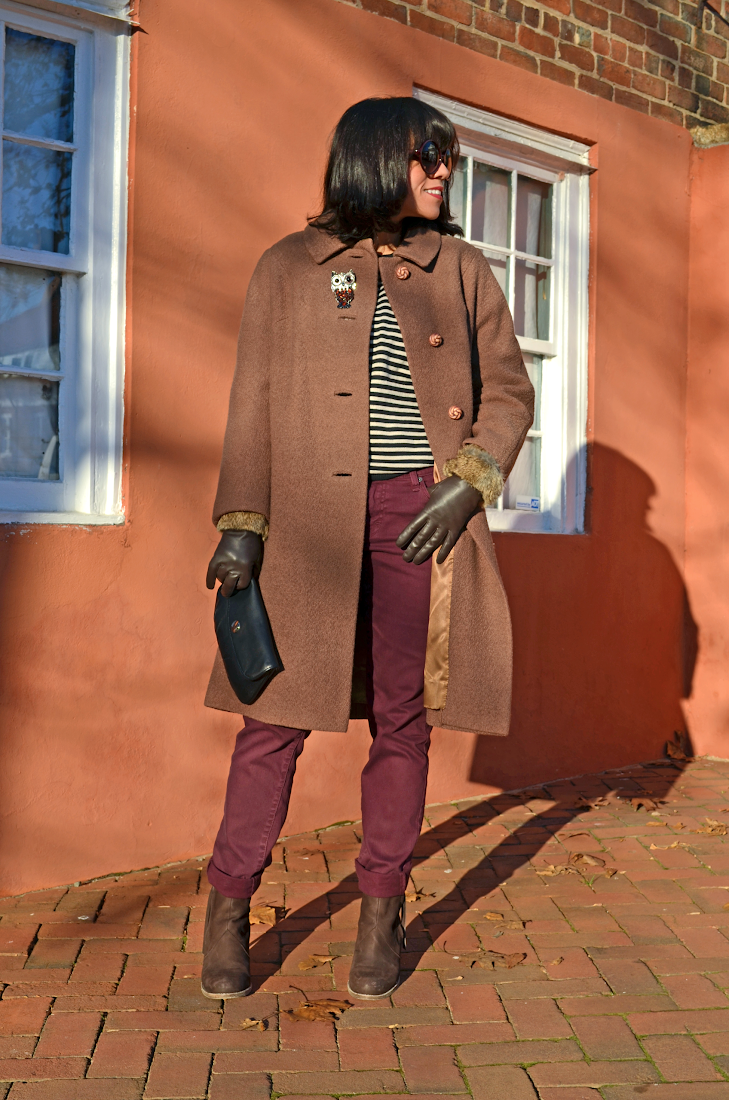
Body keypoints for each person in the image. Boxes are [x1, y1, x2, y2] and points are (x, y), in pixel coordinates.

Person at [201, 97, 534, 1001]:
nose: (440, 173)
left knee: (403, 716)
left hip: (418, 516)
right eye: (426, 157)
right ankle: (228, 904)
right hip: (304, 521)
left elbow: (507, 390)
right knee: (270, 719)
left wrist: (466, 482)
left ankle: (381, 907)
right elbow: (250, 408)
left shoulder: (460, 268)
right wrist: (240, 527)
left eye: (447, 160)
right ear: (371, 160)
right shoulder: (286, 268)